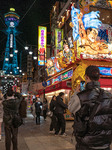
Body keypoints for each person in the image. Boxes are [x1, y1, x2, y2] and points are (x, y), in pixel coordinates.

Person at [68, 65, 112, 150]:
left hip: (86, 145)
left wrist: (76, 93)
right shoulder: (109, 95)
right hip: (105, 144)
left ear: (86, 77)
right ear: (98, 77)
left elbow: (70, 108)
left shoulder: (81, 96)